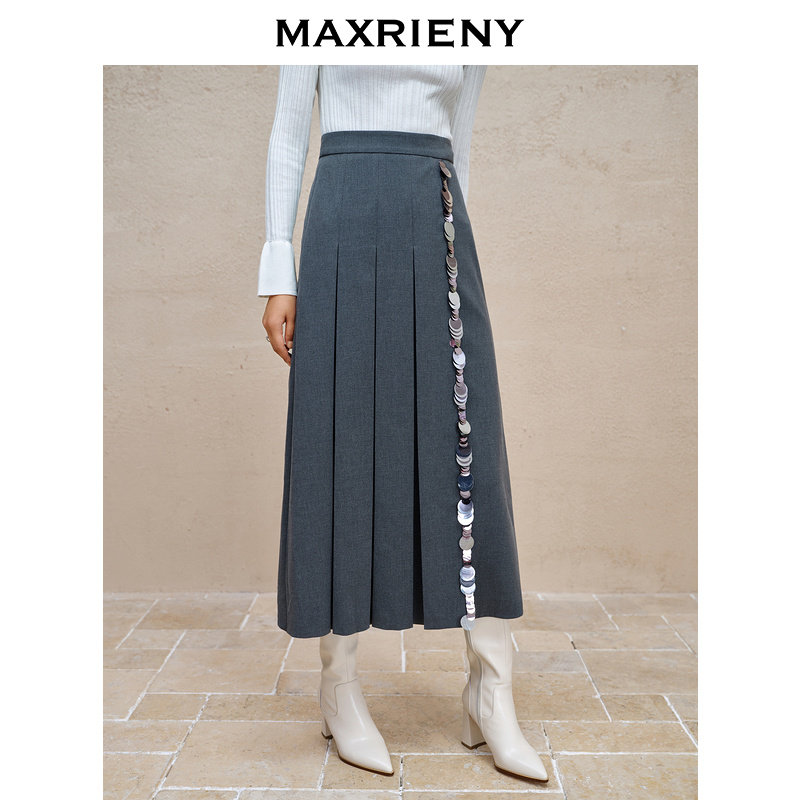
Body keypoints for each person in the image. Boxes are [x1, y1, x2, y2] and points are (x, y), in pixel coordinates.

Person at [259, 65, 547, 782]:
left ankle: (490, 690)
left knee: (467, 444)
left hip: (436, 221)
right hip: (341, 219)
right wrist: (278, 269)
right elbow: (289, 132)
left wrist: (453, 255)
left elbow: (460, 142)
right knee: (340, 442)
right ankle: (339, 685)